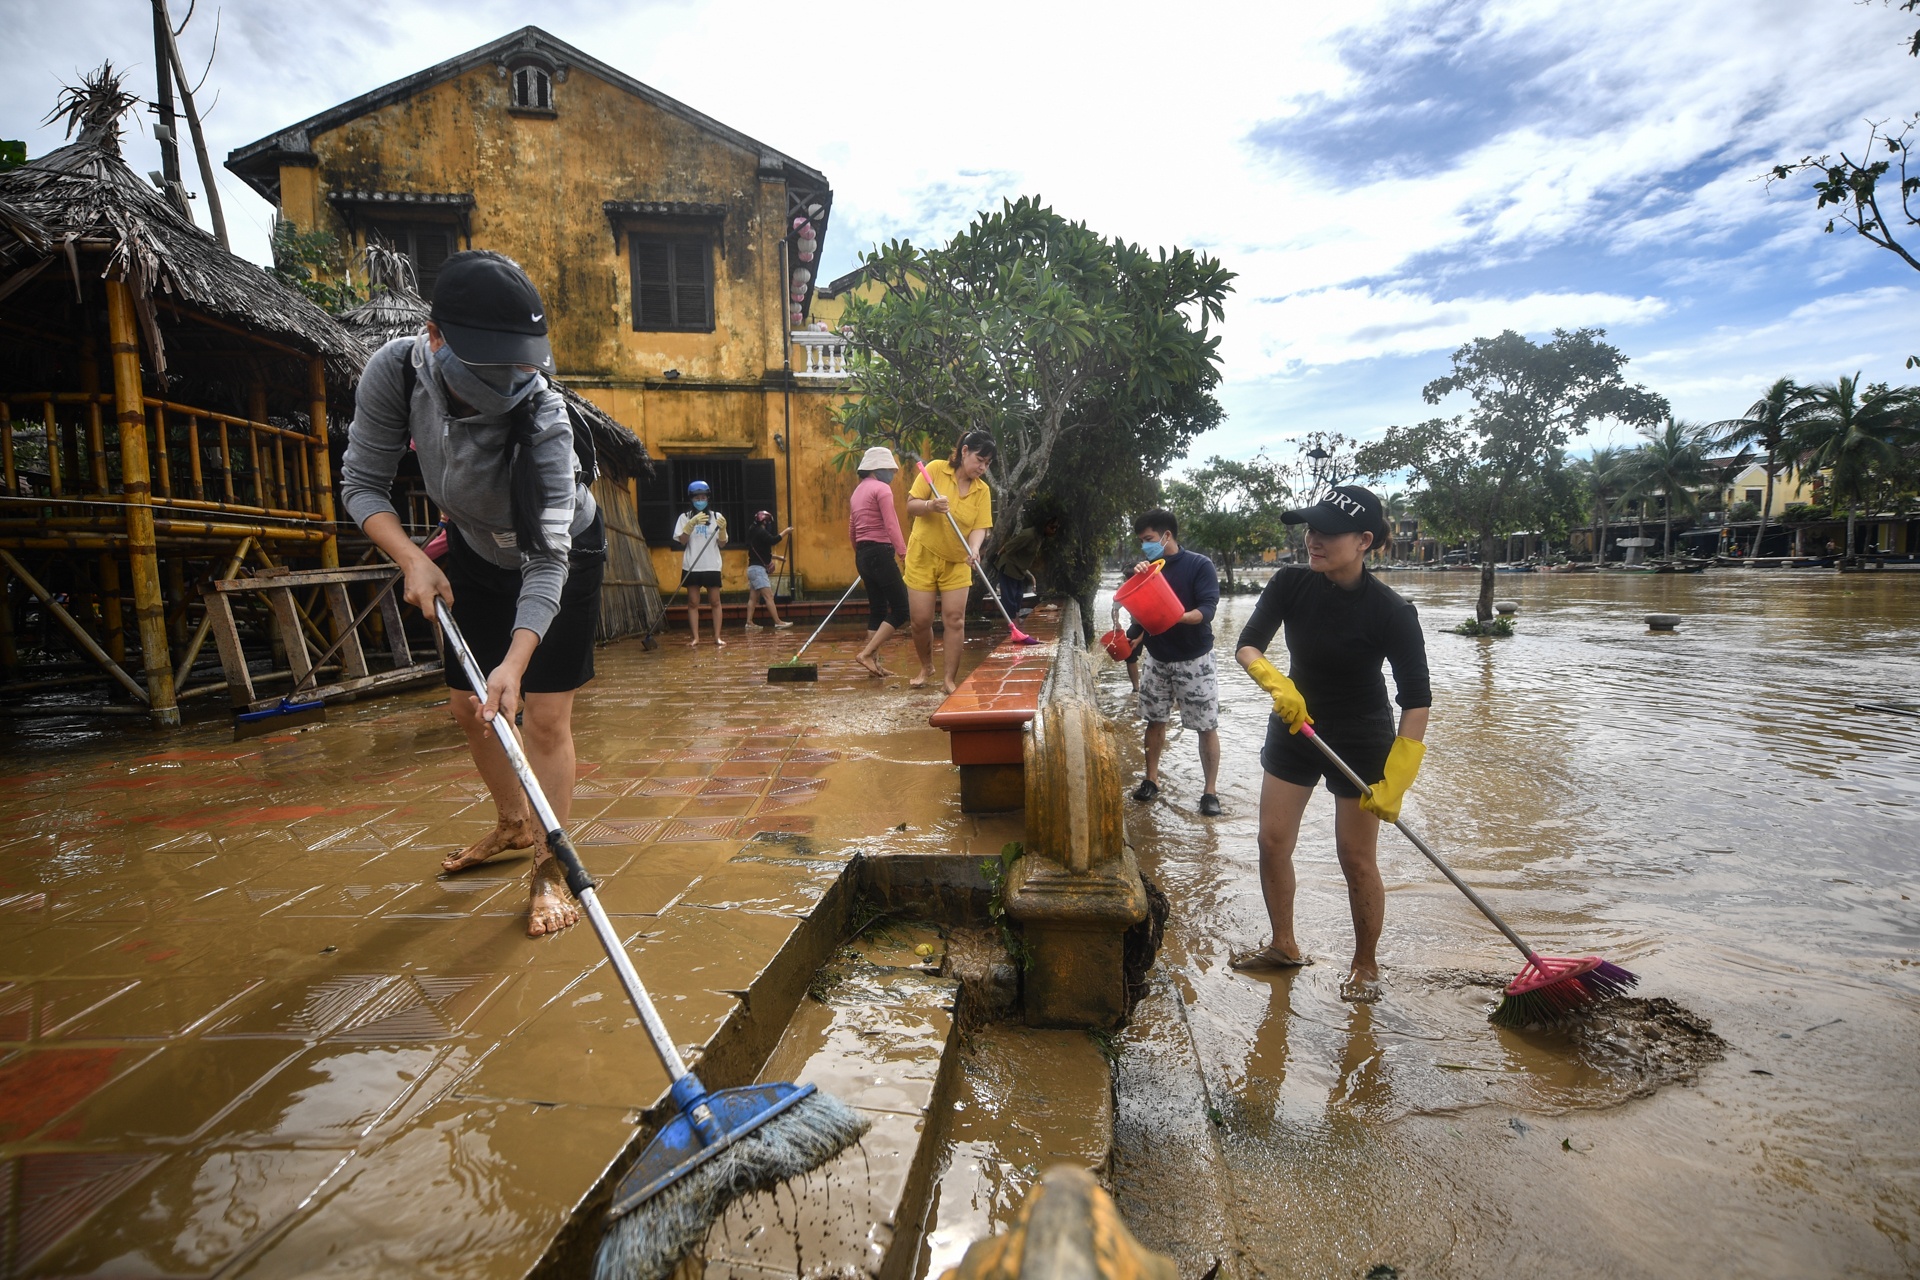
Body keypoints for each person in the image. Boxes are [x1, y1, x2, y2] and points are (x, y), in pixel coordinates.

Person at [340, 249, 604, 938]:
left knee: (540, 714)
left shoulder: (545, 421)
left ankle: (549, 868)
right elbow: (362, 484)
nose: (514, 379)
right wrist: (411, 560)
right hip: (472, 544)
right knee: (471, 708)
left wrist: (516, 663)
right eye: (492, 362)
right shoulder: (396, 371)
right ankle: (514, 823)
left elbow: (549, 561)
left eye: (522, 361)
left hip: (556, 554)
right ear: (435, 338)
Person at [1229, 484, 1431, 1003]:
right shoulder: (1290, 583)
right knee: (1272, 840)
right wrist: (1275, 682)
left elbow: (1416, 699)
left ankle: (1365, 965)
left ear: (1364, 540)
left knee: (1355, 857)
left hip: (1362, 734)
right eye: (1310, 529)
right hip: (1296, 720)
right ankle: (1283, 945)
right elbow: (1246, 644)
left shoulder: (1392, 611)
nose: (1313, 539)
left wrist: (1399, 776)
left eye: (1326, 532)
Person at [1125, 509, 1223, 816]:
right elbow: (1139, 615)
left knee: (1205, 725)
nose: (1145, 547)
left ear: (1167, 536)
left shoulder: (1199, 565)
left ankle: (1210, 792)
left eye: (1149, 539)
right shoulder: (1147, 570)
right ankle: (1151, 780)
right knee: (1155, 721)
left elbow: (1206, 611)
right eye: (1142, 541)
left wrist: (1175, 617)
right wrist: (1132, 636)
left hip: (1195, 658)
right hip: (1158, 659)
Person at [905, 431, 995, 693]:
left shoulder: (983, 491)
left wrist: (975, 549)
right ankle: (926, 666)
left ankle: (949, 680)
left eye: (988, 464)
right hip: (923, 554)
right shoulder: (934, 469)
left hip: (958, 560)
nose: (982, 467)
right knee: (920, 621)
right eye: (980, 459)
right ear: (964, 451)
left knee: (955, 620)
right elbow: (911, 505)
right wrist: (930, 505)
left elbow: (980, 528)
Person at [849, 446, 909, 678]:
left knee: (878, 610)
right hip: (880, 552)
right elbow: (891, 524)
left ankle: (874, 662)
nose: (893, 474)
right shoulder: (882, 489)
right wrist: (903, 553)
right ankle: (866, 654)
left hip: (863, 554)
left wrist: (862, 555)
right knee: (902, 609)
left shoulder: (857, 492)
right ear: (877, 469)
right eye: (890, 470)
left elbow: (852, 529)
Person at [674, 480, 727, 646]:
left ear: (708, 498)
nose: (700, 500)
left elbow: (722, 543)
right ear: (691, 499)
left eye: (703, 497)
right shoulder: (684, 518)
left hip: (711, 564)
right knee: (692, 602)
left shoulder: (717, 517)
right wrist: (689, 527)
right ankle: (695, 637)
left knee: (715, 601)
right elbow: (682, 541)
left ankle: (717, 636)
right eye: (697, 497)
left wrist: (723, 530)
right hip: (692, 565)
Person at [992, 508, 1059, 620]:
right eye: (1052, 527)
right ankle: (1011, 626)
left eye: (1056, 528)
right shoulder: (1029, 534)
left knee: (1018, 598)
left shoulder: (1039, 537)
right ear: (1043, 525)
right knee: (1009, 600)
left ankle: (1016, 622)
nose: (1054, 530)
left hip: (1020, 571)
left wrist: (1030, 576)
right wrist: (997, 555)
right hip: (1009, 568)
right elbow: (1010, 545)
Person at [742, 510, 793, 631]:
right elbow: (774, 540)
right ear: (765, 521)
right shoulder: (761, 531)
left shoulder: (753, 531)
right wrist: (786, 531)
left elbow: (762, 552)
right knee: (769, 596)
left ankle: (749, 622)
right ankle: (778, 622)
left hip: (752, 569)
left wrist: (778, 557)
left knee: (753, 598)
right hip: (758, 570)